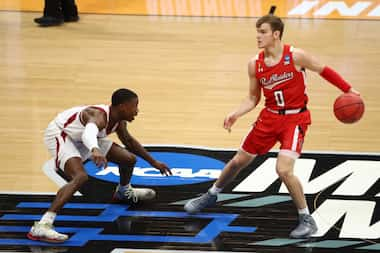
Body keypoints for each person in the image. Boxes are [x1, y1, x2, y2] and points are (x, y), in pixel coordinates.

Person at [184, 14, 360, 239]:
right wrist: (235, 114)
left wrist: (348, 89)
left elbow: (323, 69)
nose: (258, 36)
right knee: (238, 161)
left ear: (276, 34)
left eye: (263, 31)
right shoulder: (254, 64)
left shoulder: (296, 56)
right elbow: (252, 98)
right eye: (257, 31)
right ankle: (210, 195)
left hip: (295, 120)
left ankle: (307, 218)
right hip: (269, 118)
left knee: (283, 169)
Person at [27, 88, 172, 243]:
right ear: (122, 106)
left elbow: (129, 142)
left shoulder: (119, 121)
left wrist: (154, 162)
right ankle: (42, 225)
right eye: (134, 106)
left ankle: (123, 192)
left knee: (128, 159)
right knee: (80, 177)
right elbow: (88, 133)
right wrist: (94, 149)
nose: (137, 111)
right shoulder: (98, 115)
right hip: (62, 135)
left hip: (82, 138)